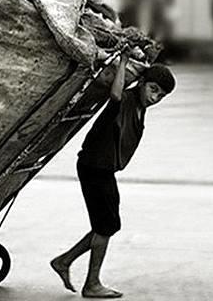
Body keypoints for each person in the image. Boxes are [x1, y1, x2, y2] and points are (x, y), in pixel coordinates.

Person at [50, 50, 176, 299]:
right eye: (153, 89)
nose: (155, 97)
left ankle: (64, 261)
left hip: (104, 169)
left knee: (109, 224)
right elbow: (115, 95)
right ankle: (92, 284)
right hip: (94, 167)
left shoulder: (140, 107)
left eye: (161, 95)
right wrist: (124, 63)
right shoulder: (127, 100)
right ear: (141, 83)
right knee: (105, 225)